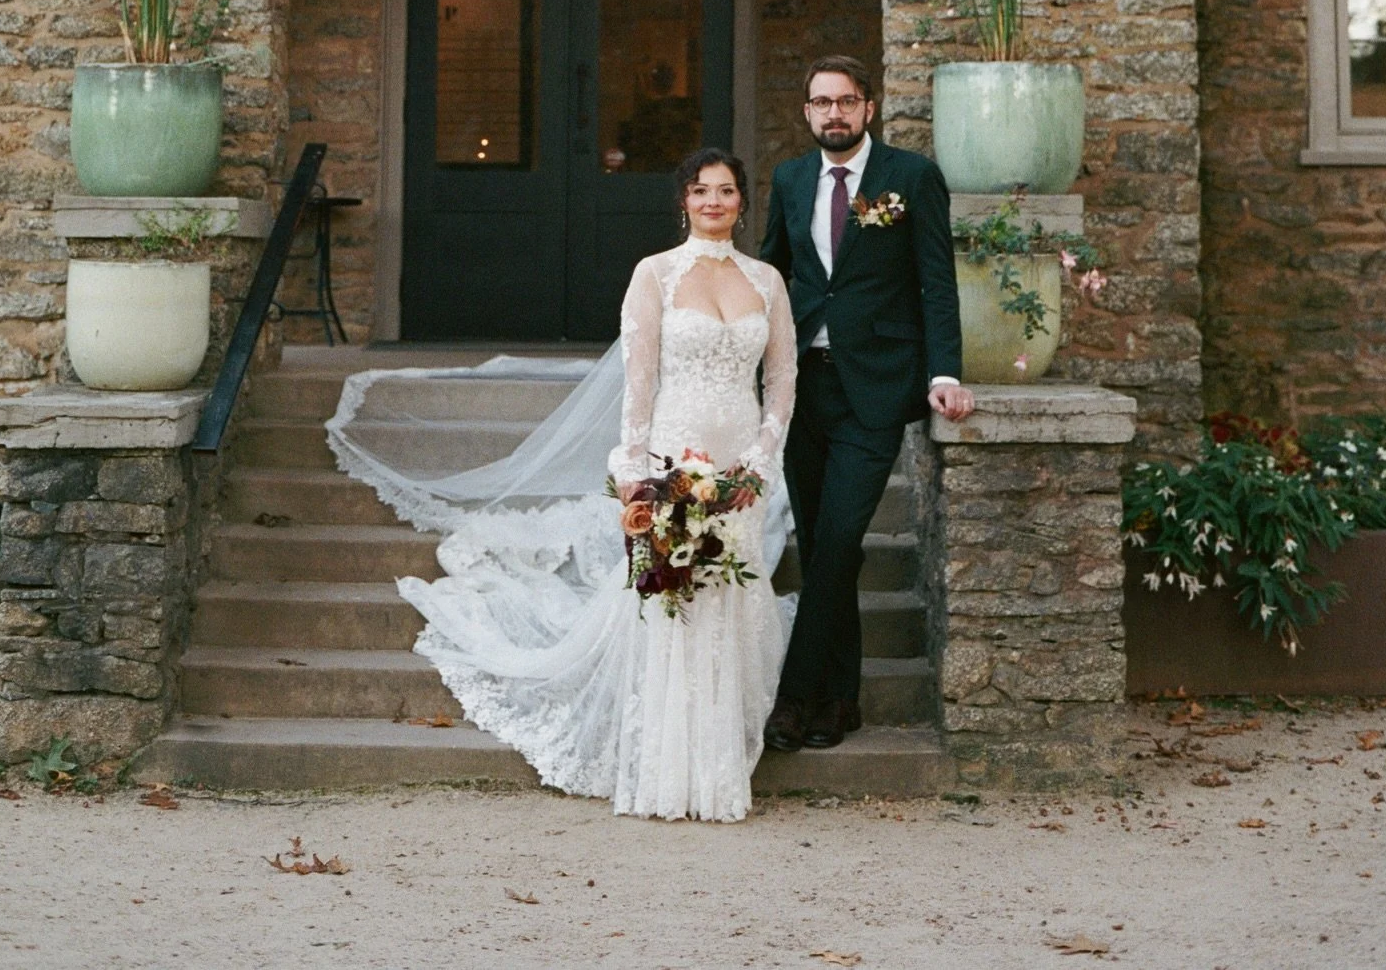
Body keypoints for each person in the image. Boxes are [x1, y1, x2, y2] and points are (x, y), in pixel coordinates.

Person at [353, 147, 797, 823]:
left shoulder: (766, 280)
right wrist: (636, 472)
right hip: (674, 456)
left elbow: (784, 377)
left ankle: (719, 768)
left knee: (731, 595)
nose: (714, 201)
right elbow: (638, 382)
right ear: (683, 200)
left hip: (740, 464)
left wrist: (760, 461)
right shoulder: (655, 273)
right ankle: (665, 772)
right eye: (701, 189)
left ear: (742, 200)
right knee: (672, 598)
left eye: (726, 190)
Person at [760, 54, 973, 753]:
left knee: (840, 538)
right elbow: (771, 276)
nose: (834, 114)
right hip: (801, 387)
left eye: (846, 101)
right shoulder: (791, 178)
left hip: (875, 387)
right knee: (823, 545)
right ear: (807, 111)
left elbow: (937, 281)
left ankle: (793, 699)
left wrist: (944, 371)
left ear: (869, 108)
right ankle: (838, 700)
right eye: (822, 103)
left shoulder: (912, 177)